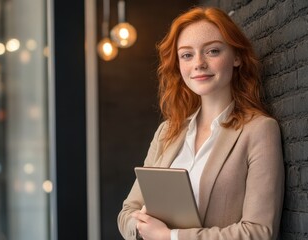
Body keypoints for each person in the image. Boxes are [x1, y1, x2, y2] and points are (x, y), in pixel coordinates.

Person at [117, 6, 284, 240]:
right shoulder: (167, 132)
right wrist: (143, 225)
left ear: (236, 57)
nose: (198, 63)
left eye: (212, 51)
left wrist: (171, 237)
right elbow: (127, 213)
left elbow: (259, 232)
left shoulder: (259, 130)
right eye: (187, 55)